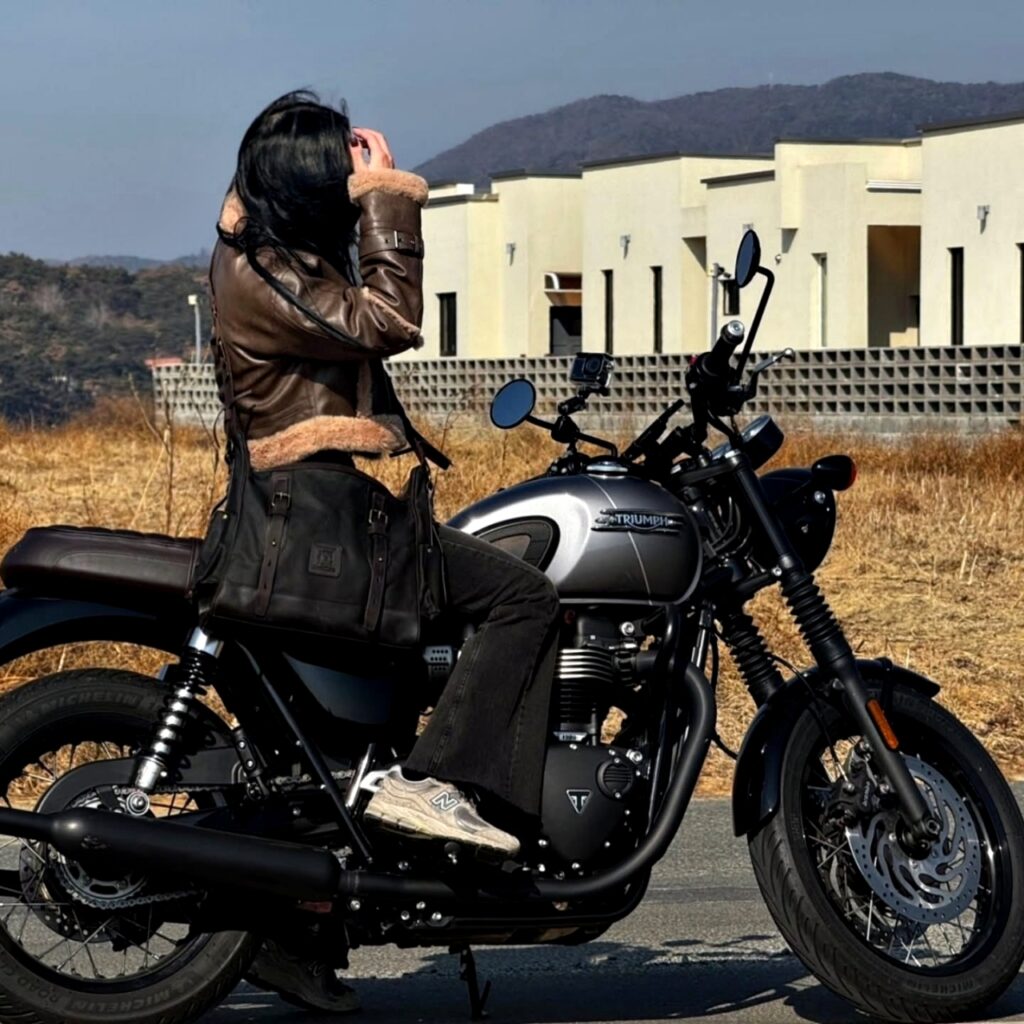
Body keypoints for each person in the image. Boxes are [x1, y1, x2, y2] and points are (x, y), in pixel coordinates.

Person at [209, 91, 560, 1011]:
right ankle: (442, 786)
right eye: (340, 168)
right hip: (320, 514)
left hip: (325, 509)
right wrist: (388, 200)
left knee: (349, 737)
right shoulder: (268, 270)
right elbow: (385, 322)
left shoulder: (271, 249)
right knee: (523, 599)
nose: (353, 176)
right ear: (311, 187)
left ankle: (296, 934)